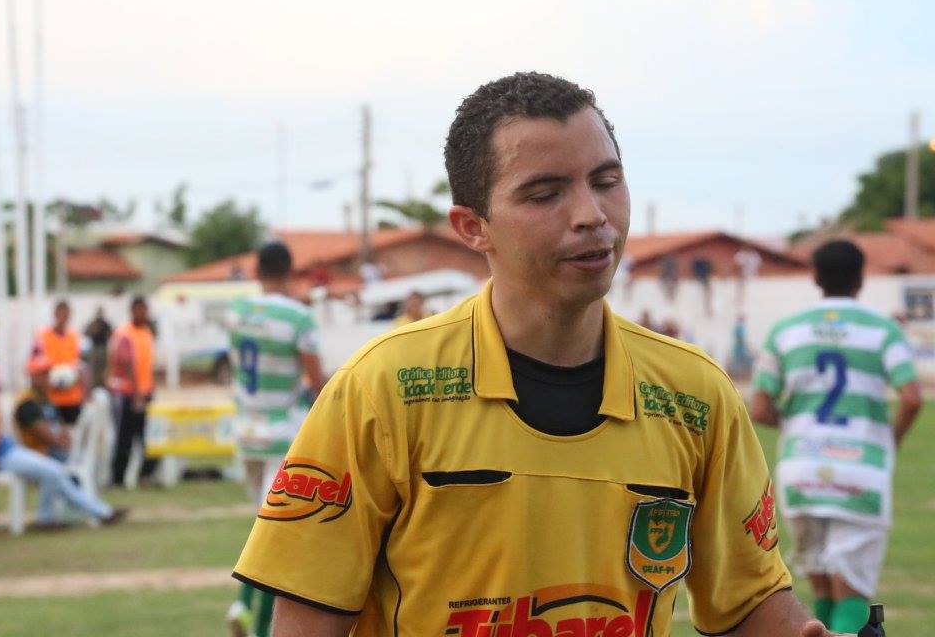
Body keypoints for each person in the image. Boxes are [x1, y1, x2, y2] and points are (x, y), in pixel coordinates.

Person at [233, 72, 843, 637]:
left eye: (606, 181)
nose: (592, 215)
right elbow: (306, 618)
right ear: (473, 227)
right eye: (544, 194)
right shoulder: (383, 388)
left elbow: (748, 603)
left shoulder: (696, 395)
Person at [750, 239, 922, 634]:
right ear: (861, 277)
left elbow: (760, 408)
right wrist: (887, 440)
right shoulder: (883, 332)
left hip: (802, 470)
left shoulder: (786, 332)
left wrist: (799, 425)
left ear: (815, 277)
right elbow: (911, 397)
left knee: (821, 586)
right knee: (852, 593)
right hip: (859, 470)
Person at [224, 241, 326, 637]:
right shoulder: (299, 318)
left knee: (262, 529)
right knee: (278, 536)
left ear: (256, 270)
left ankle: (244, 606)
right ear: (290, 269)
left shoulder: (237, 312)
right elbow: (316, 381)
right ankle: (254, 616)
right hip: (284, 431)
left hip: (245, 429)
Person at [0, 379, 126, 530]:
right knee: (54, 470)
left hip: (12, 451)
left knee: (54, 473)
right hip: (2, 457)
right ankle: (98, 512)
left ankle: (96, 512)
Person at [107, 296, 157, 486]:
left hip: (145, 391)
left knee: (148, 436)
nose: (143, 314)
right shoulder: (124, 333)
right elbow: (126, 364)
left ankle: (145, 475)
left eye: (145, 310)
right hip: (128, 393)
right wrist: (136, 394)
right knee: (124, 438)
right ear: (132, 310)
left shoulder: (146, 332)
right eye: (139, 310)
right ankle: (117, 478)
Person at [32, 300, 85, 425]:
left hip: (72, 397)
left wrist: (76, 376)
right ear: (55, 314)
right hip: (50, 397)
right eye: (60, 313)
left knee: (71, 435)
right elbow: (33, 365)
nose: (63, 317)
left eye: (66, 314)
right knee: (53, 433)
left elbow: (80, 364)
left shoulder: (74, 336)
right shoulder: (43, 335)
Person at [15, 356, 72, 463]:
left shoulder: (47, 399)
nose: (47, 378)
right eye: (43, 374)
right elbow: (47, 437)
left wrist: (67, 444)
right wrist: (64, 444)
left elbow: (63, 427)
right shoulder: (26, 403)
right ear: (33, 377)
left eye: (48, 373)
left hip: (57, 452)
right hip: (38, 456)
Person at [84, 307, 114, 388]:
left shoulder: (106, 324)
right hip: (95, 348)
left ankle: (104, 385)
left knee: (105, 369)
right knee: (94, 369)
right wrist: (94, 330)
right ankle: (94, 385)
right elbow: (86, 333)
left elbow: (112, 334)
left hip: (104, 348)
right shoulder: (93, 323)